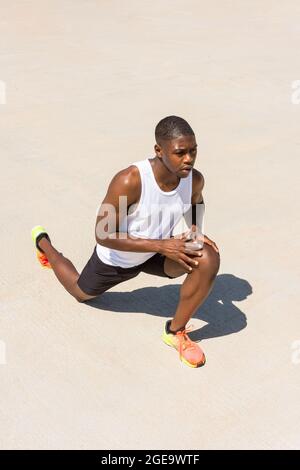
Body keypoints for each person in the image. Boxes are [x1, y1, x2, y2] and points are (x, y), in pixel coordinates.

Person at [31, 116, 220, 368]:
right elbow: (103, 233)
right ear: (159, 150)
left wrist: (196, 231)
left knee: (207, 257)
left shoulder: (193, 178)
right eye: (180, 153)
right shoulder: (131, 180)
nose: (189, 159)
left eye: (193, 151)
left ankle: (175, 332)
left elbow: (196, 200)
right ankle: (45, 245)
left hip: (158, 253)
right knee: (80, 292)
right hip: (119, 257)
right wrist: (162, 245)